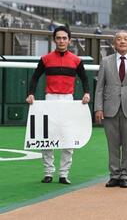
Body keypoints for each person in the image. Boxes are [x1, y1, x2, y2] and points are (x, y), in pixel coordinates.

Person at [26, 26, 90, 185]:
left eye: (64, 38)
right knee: (46, 137)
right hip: (50, 100)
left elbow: (85, 79)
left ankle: (63, 174)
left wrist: (87, 93)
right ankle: (48, 173)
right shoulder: (45, 59)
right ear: (54, 40)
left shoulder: (76, 60)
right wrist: (31, 93)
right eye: (58, 38)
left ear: (69, 40)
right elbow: (35, 78)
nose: (61, 41)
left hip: (68, 100)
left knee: (68, 137)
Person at [94, 31, 127, 188]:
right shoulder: (105, 61)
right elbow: (99, 88)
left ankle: (125, 174)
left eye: (126, 39)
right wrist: (98, 108)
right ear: (114, 44)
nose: (122, 42)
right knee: (112, 144)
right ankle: (114, 174)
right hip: (109, 108)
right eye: (119, 39)